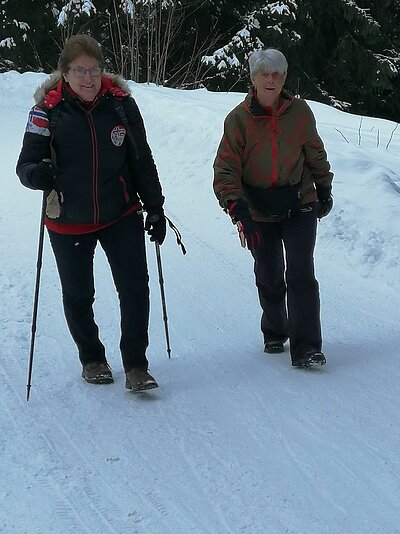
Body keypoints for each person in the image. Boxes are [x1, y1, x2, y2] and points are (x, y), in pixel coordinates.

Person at [17, 34, 166, 391]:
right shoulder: (46, 111)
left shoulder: (121, 106)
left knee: (134, 289)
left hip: (120, 213)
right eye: (79, 70)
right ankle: (92, 358)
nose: (88, 78)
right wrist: (38, 175)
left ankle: (136, 365)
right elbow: (26, 165)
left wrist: (156, 206)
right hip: (69, 220)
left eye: (94, 69)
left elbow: (141, 160)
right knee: (79, 294)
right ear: (64, 73)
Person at [213, 48, 333, 368]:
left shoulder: (300, 113)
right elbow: (226, 170)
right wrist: (238, 210)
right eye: (264, 73)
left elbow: (315, 153)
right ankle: (276, 329)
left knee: (301, 274)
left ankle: (307, 347)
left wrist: (324, 188)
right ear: (253, 79)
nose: (271, 79)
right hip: (257, 210)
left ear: (284, 78)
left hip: (300, 202)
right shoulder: (238, 120)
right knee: (269, 275)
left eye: (277, 73)